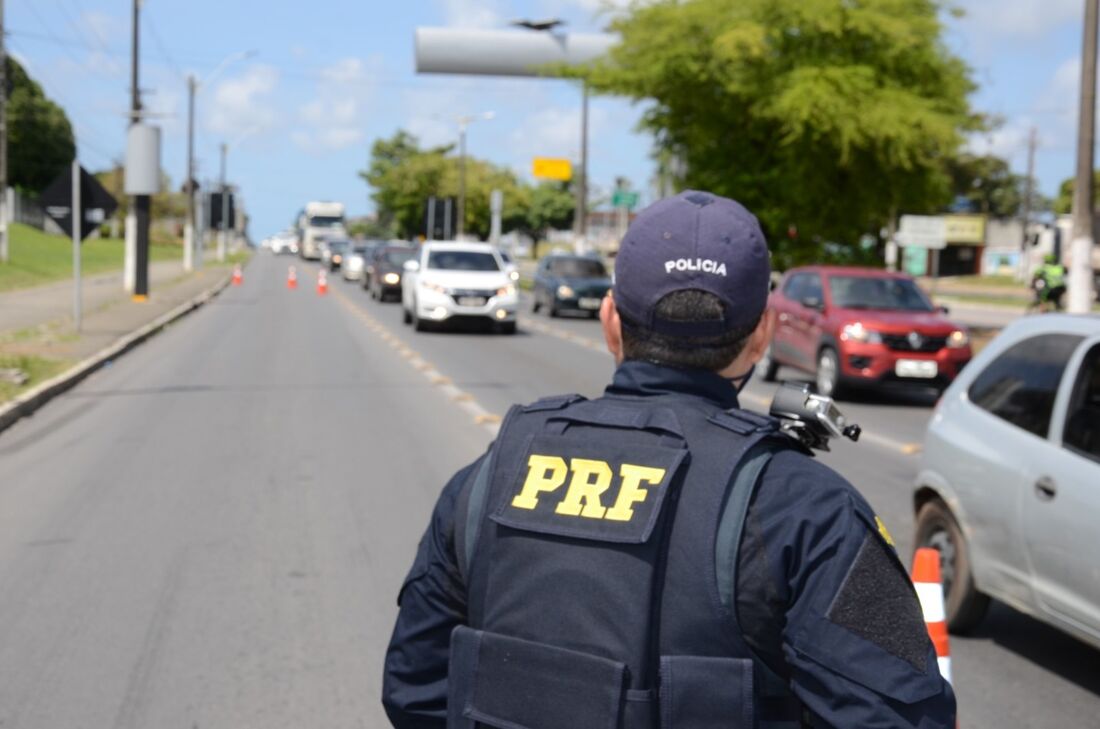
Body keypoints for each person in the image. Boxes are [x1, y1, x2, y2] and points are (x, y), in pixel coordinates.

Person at [383, 191, 956, 728]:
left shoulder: (491, 475)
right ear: (762, 336)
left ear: (610, 322)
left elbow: (414, 687)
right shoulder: (806, 510)